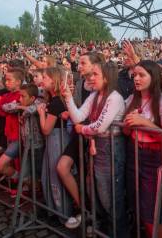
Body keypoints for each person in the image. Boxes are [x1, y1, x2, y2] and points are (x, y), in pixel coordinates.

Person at [63, 61, 128, 237]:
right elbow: (78, 116)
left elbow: (99, 126)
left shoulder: (114, 97)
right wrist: (68, 97)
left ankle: (118, 233)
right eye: (90, 75)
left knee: (111, 199)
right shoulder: (95, 96)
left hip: (111, 150)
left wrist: (82, 129)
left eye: (95, 74)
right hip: (98, 148)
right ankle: (106, 231)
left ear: (107, 77)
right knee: (98, 194)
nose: (90, 78)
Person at [124, 60, 162, 238]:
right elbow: (125, 130)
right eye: (134, 75)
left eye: (141, 75)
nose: (136, 79)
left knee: (152, 213)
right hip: (133, 154)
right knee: (137, 206)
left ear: (153, 77)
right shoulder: (132, 99)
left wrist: (144, 123)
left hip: (153, 158)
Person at [56, 52, 103, 229]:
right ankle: (85, 210)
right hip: (79, 133)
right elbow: (77, 113)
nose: (79, 65)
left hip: (95, 137)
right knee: (63, 167)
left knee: (93, 180)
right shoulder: (78, 83)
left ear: (95, 65)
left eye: (83, 63)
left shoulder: (101, 85)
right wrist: (69, 100)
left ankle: (97, 220)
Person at [37, 67, 72, 220]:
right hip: (54, 140)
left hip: (57, 140)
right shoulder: (53, 99)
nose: (42, 81)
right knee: (48, 175)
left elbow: (46, 129)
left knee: (54, 177)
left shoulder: (57, 101)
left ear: (54, 80)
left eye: (45, 77)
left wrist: (40, 114)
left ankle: (62, 214)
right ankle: (54, 211)